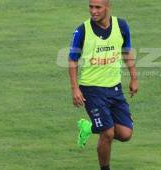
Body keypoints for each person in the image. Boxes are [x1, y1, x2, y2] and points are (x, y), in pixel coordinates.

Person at [68, 0, 138, 169]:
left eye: (98, 7)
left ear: (108, 7)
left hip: (115, 89)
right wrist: (75, 88)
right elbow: (72, 60)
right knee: (107, 133)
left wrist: (134, 78)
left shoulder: (121, 26)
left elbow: (126, 52)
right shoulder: (82, 30)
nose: (93, 11)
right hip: (91, 90)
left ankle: (89, 127)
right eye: (91, 7)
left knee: (125, 134)